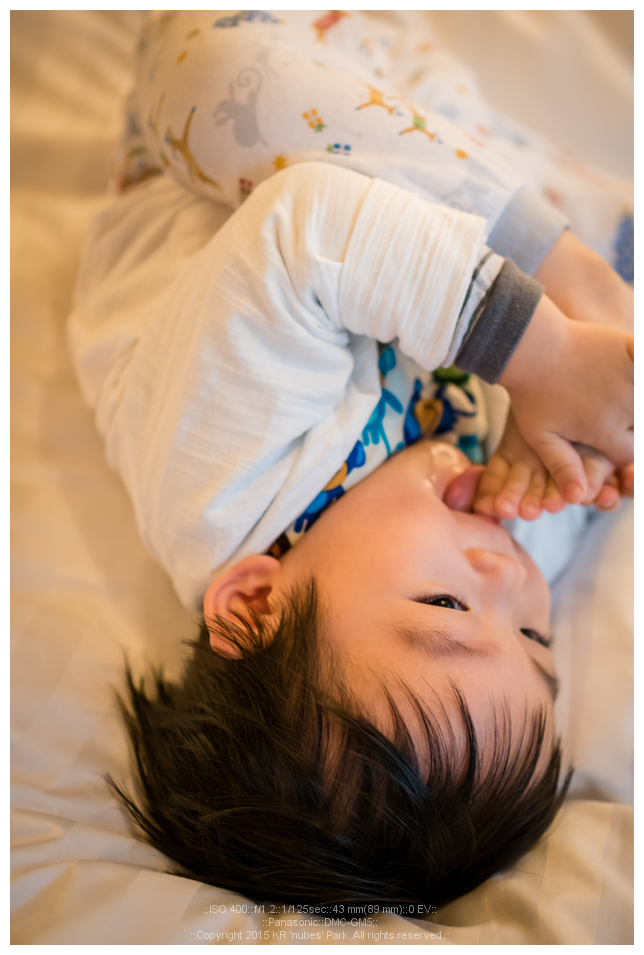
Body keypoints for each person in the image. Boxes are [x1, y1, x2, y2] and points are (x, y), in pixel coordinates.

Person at [69, 11, 633, 907]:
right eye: (536, 639)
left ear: (255, 604)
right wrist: (561, 442)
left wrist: (548, 356)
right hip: (408, 113)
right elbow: (583, 459)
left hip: (230, 134)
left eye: (445, 605)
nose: (510, 578)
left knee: (217, 81)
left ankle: (574, 271)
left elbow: (306, 228)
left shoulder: (220, 477)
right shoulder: (485, 534)